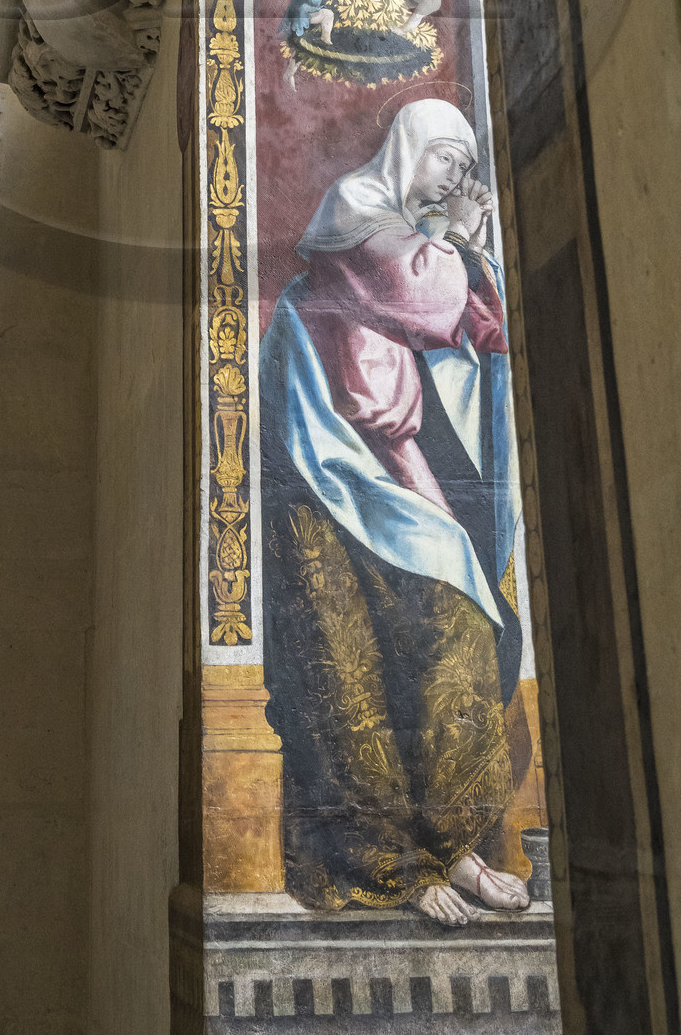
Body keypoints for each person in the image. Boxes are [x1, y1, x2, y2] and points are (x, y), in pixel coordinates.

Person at [259, 98, 531, 920]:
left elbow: (483, 337)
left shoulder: (422, 240)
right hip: (334, 473)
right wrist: (459, 242)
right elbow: (413, 295)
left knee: (461, 631)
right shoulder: (356, 211)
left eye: (463, 163)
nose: (456, 176)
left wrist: (469, 248)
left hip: (406, 476)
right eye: (447, 157)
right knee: (349, 666)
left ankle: (454, 849)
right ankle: (395, 868)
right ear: (409, 148)